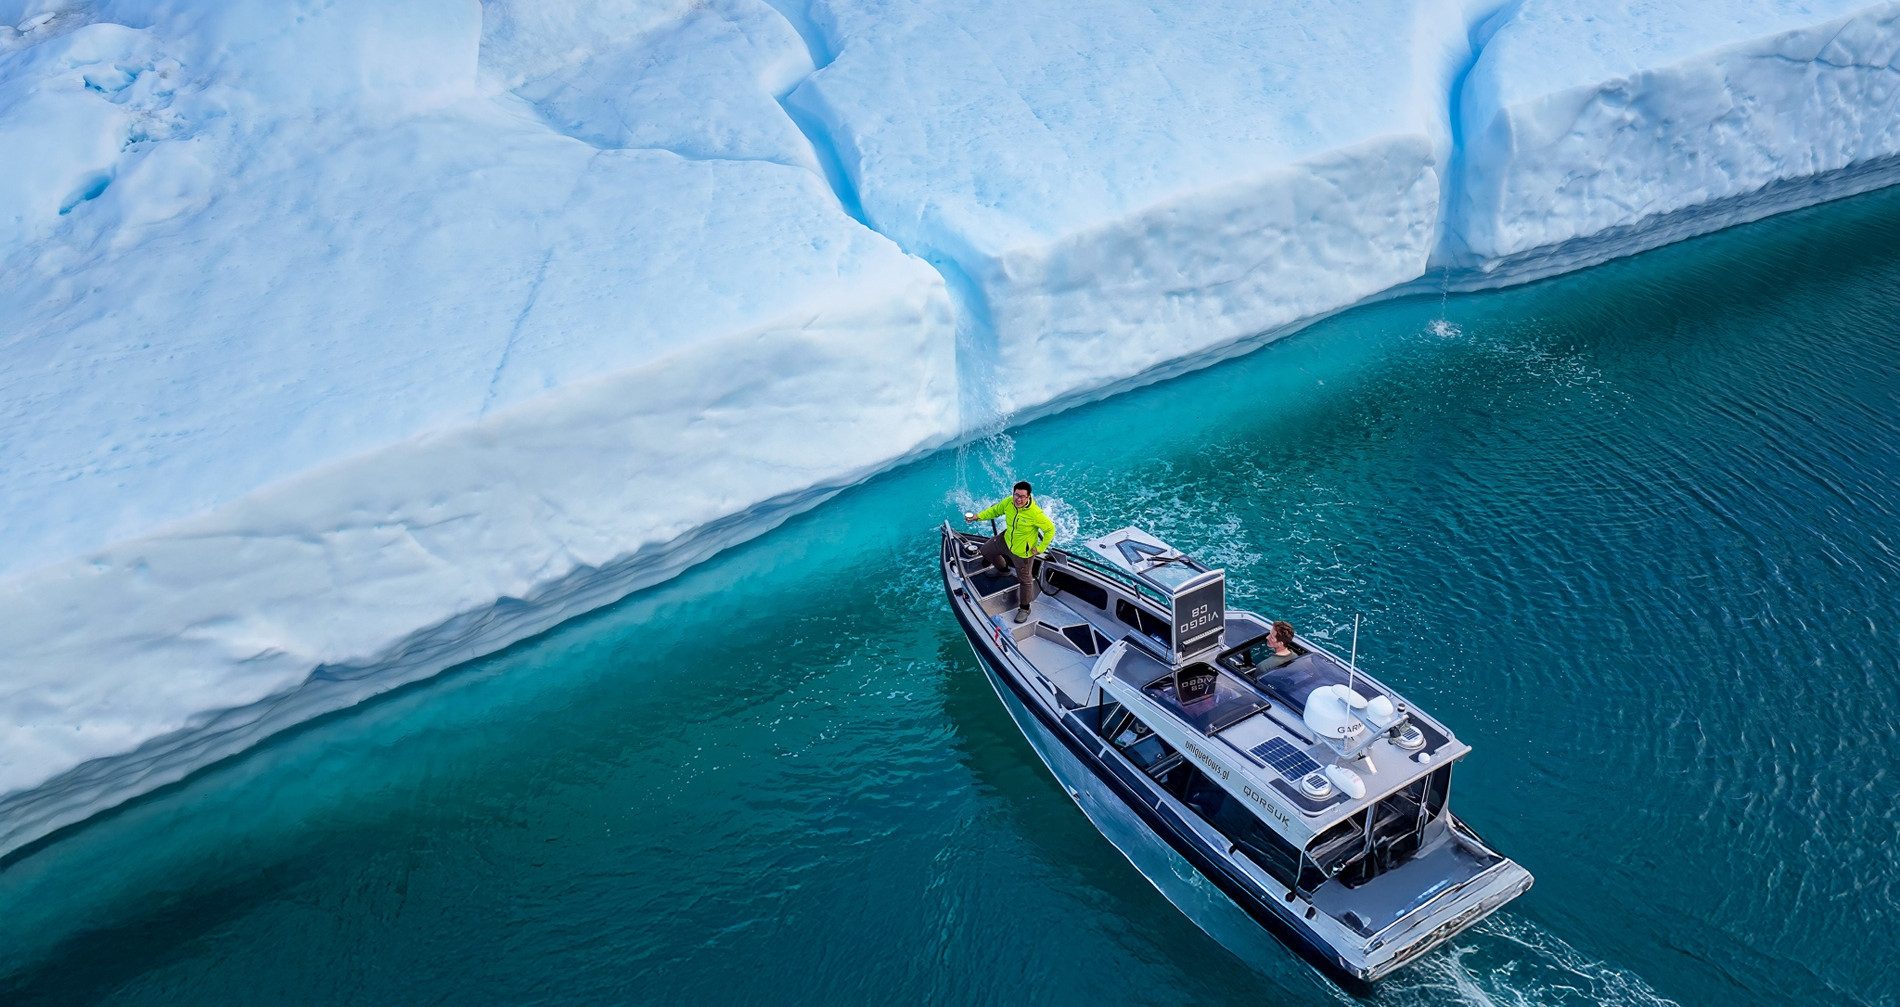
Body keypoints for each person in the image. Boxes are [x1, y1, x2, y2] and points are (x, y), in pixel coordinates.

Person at [964, 480, 1056, 623]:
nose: (1018, 499)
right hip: (1006, 540)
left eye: (1022, 496)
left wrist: (1041, 548)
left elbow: (1050, 529)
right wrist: (977, 517)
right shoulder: (1008, 502)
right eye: (1016, 495)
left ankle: (1025, 608)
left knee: (1025, 581)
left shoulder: (1036, 514)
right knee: (986, 550)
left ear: (1028, 497)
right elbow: (995, 511)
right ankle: (1003, 570)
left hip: (1022, 552)